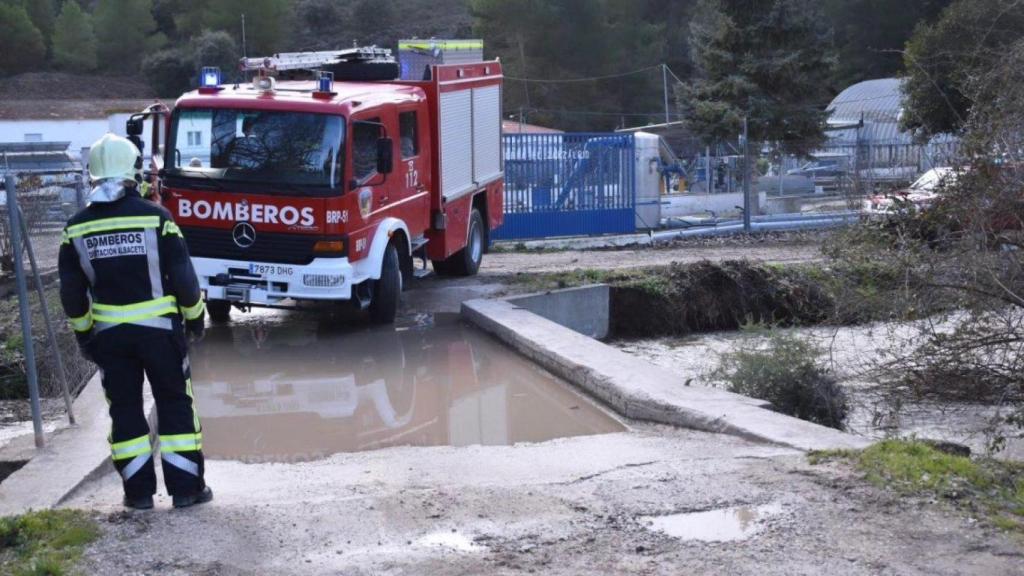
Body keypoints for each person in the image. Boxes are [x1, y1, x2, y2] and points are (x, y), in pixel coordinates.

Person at [59, 134, 211, 510]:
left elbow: (72, 294)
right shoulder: (158, 218)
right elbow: (185, 280)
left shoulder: (75, 228)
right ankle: (186, 491)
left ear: (92, 175)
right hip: (161, 334)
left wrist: (84, 336)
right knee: (175, 403)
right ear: (132, 174)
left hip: (110, 339)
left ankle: (138, 494)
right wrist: (195, 321)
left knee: (124, 410)